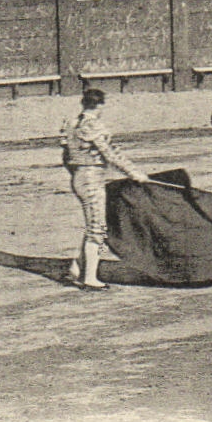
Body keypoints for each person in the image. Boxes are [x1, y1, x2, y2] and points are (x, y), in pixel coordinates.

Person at [62, 88, 149, 290]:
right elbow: (111, 155)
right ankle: (90, 278)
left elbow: (65, 157)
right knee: (97, 229)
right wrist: (135, 173)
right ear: (100, 105)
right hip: (92, 179)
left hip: (78, 177)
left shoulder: (71, 124)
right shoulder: (94, 125)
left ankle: (76, 269)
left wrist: (76, 172)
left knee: (94, 224)